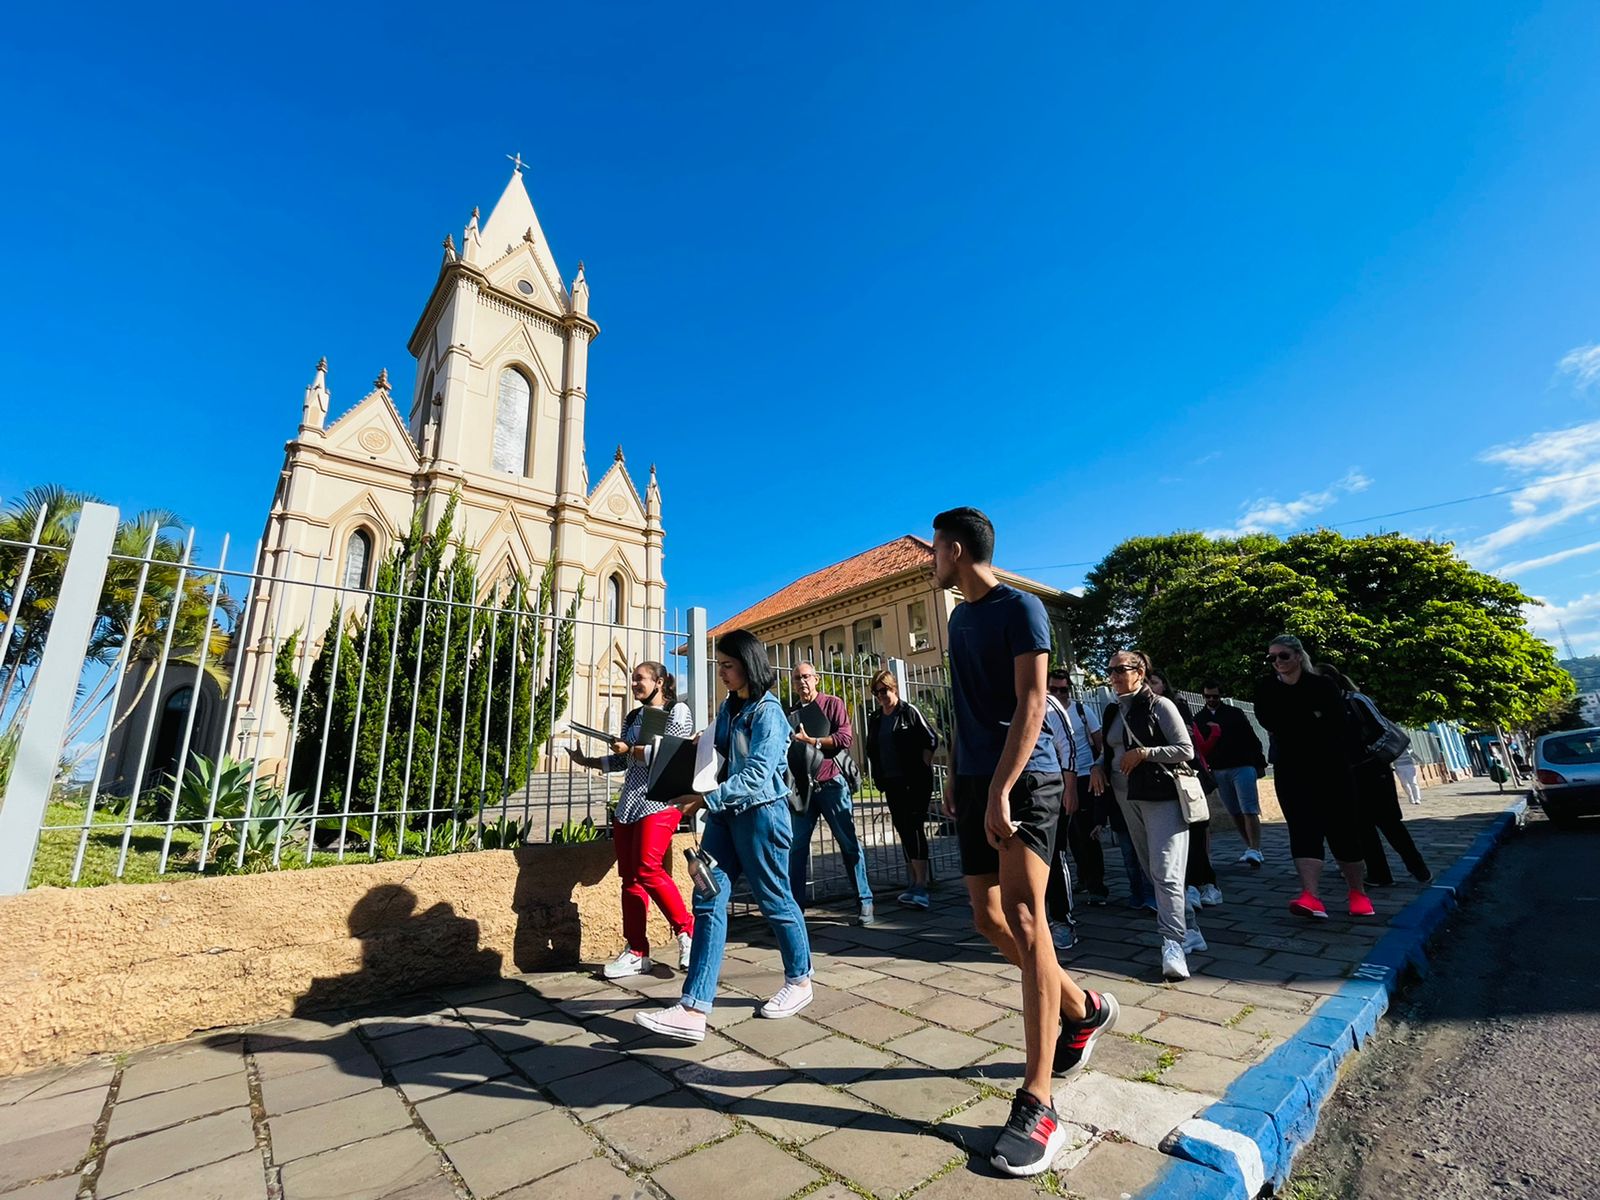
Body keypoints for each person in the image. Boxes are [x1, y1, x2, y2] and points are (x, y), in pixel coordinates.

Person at [933, 507, 1117, 1178]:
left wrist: (1003, 786)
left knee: (1024, 917)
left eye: (935, 548)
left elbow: (1034, 701)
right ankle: (1083, 1007)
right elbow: (963, 706)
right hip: (980, 777)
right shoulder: (956, 621)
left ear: (955, 549)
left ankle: (1039, 1102)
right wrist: (960, 777)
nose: (932, 558)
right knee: (984, 918)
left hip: (1027, 776)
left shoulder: (1023, 609)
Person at [634, 630, 814, 1043]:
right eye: (719, 665)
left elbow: (757, 775)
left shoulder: (769, 714)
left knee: (775, 899)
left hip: (761, 818)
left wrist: (704, 799)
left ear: (749, 664)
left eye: (727, 665)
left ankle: (800, 980)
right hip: (722, 820)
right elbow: (710, 751)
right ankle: (694, 1008)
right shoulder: (729, 708)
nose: (721, 673)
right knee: (707, 898)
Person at [566, 662, 695, 979]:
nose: (634, 683)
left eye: (640, 678)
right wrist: (590, 761)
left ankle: (688, 931)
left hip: (661, 801)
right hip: (629, 804)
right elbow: (624, 759)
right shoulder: (633, 718)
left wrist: (632, 749)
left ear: (659, 682)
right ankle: (637, 950)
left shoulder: (678, 712)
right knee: (631, 880)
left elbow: (670, 753)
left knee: (648, 869)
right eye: (633, 678)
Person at [1090, 651, 1205, 981]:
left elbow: (1186, 750)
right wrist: (1097, 767)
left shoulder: (1160, 705)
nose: (1112, 675)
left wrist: (1145, 753)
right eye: (1109, 669)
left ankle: (1173, 944)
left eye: (1120, 669)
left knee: (1166, 870)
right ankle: (1191, 930)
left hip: (1161, 796)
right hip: (1126, 798)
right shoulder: (1113, 709)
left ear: (1140, 672)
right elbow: (1108, 750)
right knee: (1153, 870)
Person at [1252, 635, 1373, 920]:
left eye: (1282, 656)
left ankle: (1357, 892)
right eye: (1272, 657)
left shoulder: (1322, 685)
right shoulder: (1266, 688)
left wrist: (1298, 721)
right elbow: (1268, 720)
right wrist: (1310, 717)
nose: (1277, 662)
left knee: (1342, 829)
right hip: (1291, 769)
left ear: (1297, 656)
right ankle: (1311, 895)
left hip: (1331, 767)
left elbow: (1334, 722)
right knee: (1302, 829)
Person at [1315, 665, 1432, 888]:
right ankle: (1379, 874)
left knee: (1390, 823)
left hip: (1373, 770)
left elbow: (1382, 727)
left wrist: (1369, 754)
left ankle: (1418, 868)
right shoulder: (1321, 709)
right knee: (1362, 827)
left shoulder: (1356, 700)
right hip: (1348, 774)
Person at [786, 661, 874, 925]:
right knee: (796, 849)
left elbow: (845, 738)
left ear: (816, 679)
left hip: (832, 784)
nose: (802, 682)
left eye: (806, 677)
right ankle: (795, 912)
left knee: (848, 843)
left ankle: (865, 902)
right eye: (797, 678)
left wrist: (812, 741)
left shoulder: (832, 704)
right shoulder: (790, 713)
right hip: (803, 788)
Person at [864, 668, 939, 909]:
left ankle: (921, 884)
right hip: (891, 781)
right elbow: (872, 748)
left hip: (914, 781)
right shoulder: (877, 718)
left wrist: (922, 764)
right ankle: (913, 881)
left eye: (884, 690)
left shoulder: (908, 712)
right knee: (903, 827)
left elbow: (931, 739)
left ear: (894, 688)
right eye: (877, 692)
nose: (881, 696)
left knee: (915, 826)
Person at [1148, 668, 1221, 910]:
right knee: (1175, 838)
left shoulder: (1175, 705)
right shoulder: (1135, 710)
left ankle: (1207, 883)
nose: (1149, 686)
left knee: (1197, 830)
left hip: (1186, 775)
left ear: (1163, 684)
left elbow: (1188, 743)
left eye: (1154, 682)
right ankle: (1188, 886)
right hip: (1159, 781)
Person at [1047, 668, 1108, 905]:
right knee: (1068, 836)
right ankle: (1082, 878)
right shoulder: (1044, 712)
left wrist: (1097, 767)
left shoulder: (1082, 711)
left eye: (1064, 690)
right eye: (1055, 689)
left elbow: (1100, 743)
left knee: (1087, 834)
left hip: (1083, 777)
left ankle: (1097, 887)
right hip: (1055, 779)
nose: (1060, 694)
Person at [1199, 681, 1269, 864]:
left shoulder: (1234, 713)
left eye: (1215, 696)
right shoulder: (1200, 717)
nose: (1212, 699)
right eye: (1208, 696)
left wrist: (1259, 762)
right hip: (1219, 769)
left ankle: (1255, 847)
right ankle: (1250, 846)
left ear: (1220, 695)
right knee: (1234, 810)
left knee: (1249, 807)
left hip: (1242, 765)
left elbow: (1251, 738)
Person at [1040, 685, 1083, 951]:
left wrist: (1070, 790)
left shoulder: (1050, 706)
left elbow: (1068, 748)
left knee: (1055, 855)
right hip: (1019, 793)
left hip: (1051, 790)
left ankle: (1062, 920)